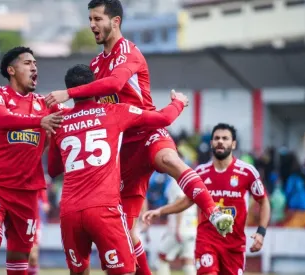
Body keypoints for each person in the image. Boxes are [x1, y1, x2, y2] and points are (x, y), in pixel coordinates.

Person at [45, 2, 233, 273]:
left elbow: (114, 85)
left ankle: (214, 213)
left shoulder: (129, 52)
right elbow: (94, 107)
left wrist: (67, 94)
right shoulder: (95, 64)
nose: (92, 25)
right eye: (89, 19)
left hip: (147, 130)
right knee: (128, 231)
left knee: (170, 159)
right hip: (122, 149)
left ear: (116, 21)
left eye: (98, 18)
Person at [48, 64, 189, 275]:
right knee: (124, 271)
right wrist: (178, 102)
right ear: (94, 87)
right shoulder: (114, 111)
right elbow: (163, 119)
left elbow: (53, 169)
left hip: (69, 211)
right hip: (104, 208)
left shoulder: (60, 122)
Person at [0, 46, 63, 275]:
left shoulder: (46, 104)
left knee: (20, 258)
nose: (34, 67)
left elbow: (78, 113)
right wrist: (39, 122)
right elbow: (2, 119)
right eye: (27, 63)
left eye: (35, 64)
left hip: (26, 192)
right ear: (11, 70)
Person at [143, 123, 271, 275]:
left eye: (225, 138)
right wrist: (161, 211)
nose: (220, 142)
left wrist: (261, 232)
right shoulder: (200, 172)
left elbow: (263, 201)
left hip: (234, 245)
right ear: (211, 143)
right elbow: (186, 201)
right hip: (207, 241)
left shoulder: (247, 172)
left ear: (233, 143)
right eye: (217, 138)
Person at [150, 172, 197, 275]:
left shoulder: (177, 182)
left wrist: (177, 229)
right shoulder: (190, 181)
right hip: (192, 226)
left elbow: (180, 203)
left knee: (162, 256)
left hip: (180, 227)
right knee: (187, 259)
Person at [27, 189, 50, 275]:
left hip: (33, 223)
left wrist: (44, 202)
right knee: (21, 255)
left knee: (33, 256)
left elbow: (45, 205)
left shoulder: (36, 180)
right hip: (19, 220)